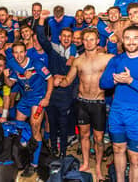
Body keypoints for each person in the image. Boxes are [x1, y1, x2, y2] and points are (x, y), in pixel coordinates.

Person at [100, 26, 138, 182]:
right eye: (127, 38)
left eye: (135, 38)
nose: (131, 41)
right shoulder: (117, 60)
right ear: (122, 40)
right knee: (118, 150)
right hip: (117, 112)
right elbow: (103, 82)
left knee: (135, 158)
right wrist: (115, 79)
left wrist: (130, 80)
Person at [54, 28, 114, 181]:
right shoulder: (78, 60)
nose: (88, 42)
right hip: (82, 102)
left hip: (98, 102)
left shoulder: (107, 58)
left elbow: (126, 61)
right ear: (82, 41)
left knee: (99, 139)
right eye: (85, 39)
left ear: (98, 41)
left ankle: (99, 168)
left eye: (91, 39)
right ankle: (86, 163)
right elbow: (68, 80)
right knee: (84, 136)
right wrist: (56, 80)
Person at [4, 42, 53, 177]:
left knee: (35, 128)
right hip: (25, 99)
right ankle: (22, 157)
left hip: (37, 99)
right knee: (18, 128)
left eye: (21, 52)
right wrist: (5, 74)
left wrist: (47, 97)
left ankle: (34, 164)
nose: (19, 55)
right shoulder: (13, 65)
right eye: (16, 53)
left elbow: (50, 79)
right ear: (13, 54)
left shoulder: (36, 64)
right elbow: (9, 83)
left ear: (25, 52)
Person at [37, 10, 76, 158]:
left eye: (69, 36)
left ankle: (64, 152)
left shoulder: (76, 55)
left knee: (64, 125)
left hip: (66, 95)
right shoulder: (52, 49)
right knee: (52, 123)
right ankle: (53, 149)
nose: (66, 38)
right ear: (60, 37)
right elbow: (41, 38)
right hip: (52, 92)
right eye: (64, 36)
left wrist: (65, 77)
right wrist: (41, 20)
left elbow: (76, 76)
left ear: (72, 39)